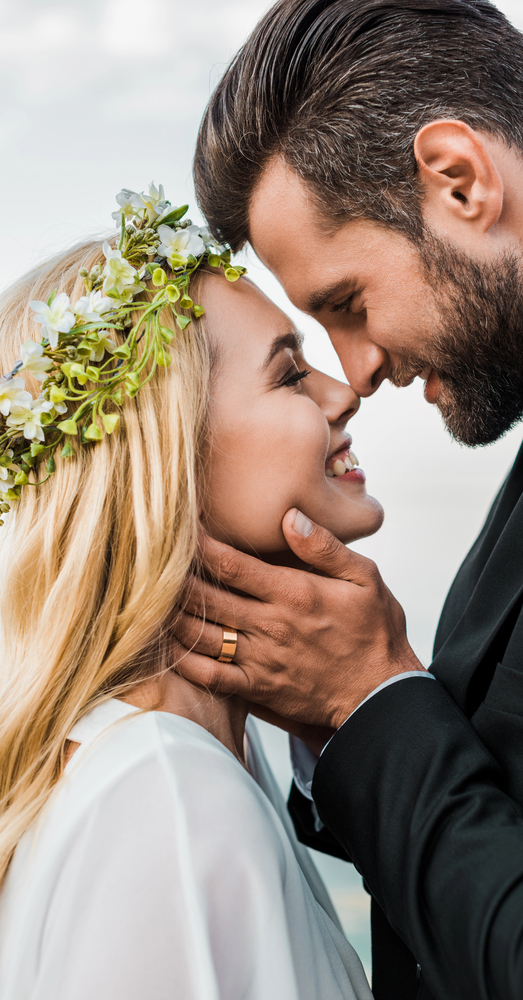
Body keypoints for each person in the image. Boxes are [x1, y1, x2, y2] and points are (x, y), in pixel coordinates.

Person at [178, 1, 523, 998]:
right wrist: (335, 713)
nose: (352, 372)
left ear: (458, 179)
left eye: (347, 304)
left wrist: (369, 697)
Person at [0, 184, 378, 1000]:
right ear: (172, 460)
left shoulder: (189, 767)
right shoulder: (166, 794)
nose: (342, 392)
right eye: (287, 375)